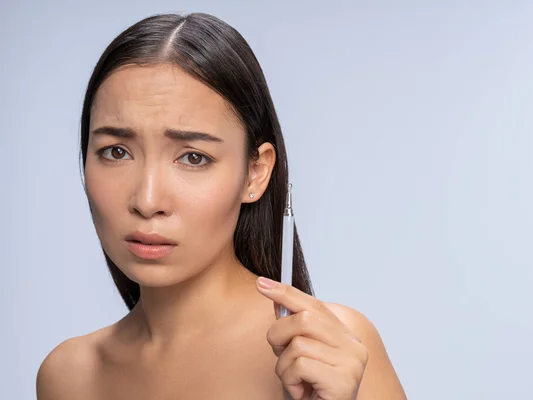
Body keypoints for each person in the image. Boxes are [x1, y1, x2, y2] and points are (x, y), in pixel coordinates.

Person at [35, 12, 407, 400]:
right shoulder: (69, 375)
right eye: (116, 151)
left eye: (193, 157)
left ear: (255, 173)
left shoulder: (330, 350)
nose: (147, 201)